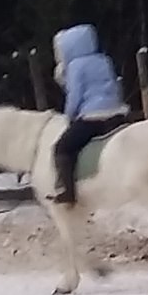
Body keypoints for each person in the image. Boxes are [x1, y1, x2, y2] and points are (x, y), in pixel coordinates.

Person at [50, 23, 130, 207]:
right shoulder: (104, 60)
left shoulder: (76, 66)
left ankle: (68, 192)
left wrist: (69, 116)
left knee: (62, 148)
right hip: (116, 113)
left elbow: (75, 95)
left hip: (92, 117)